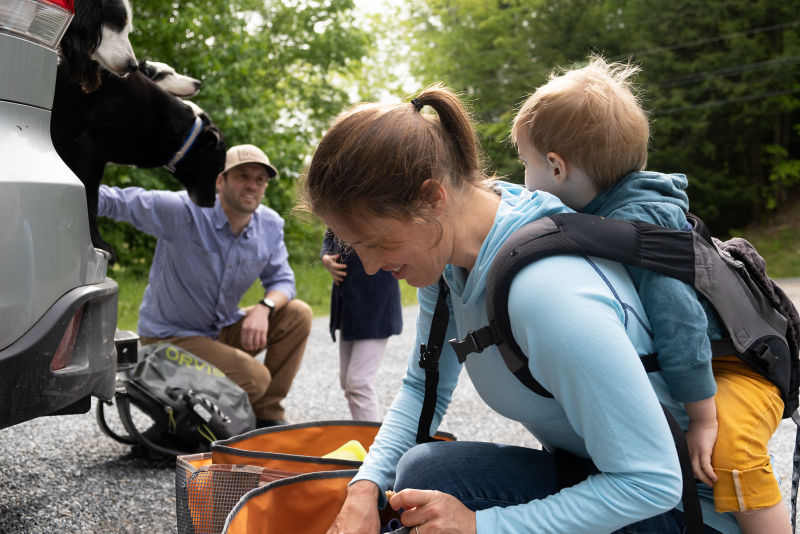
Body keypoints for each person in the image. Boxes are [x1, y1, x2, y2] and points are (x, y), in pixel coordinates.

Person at [301, 84, 742, 533]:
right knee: (419, 476)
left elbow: (653, 482)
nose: (371, 266)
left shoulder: (546, 293)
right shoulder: (450, 255)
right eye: (356, 248)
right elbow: (422, 387)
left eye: (376, 242)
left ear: (434, 198)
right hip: (597, 475)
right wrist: (365, 489)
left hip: (682, 510)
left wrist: (480, 526)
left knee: (432, 487)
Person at [512, 56, 790, 534]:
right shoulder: (606, 215)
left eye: (525, 164)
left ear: (556, 167)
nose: (524, 178)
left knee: (731, 447)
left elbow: (679, 321)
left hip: (734, 366)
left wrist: (702, 417)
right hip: (713, 361)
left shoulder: (642, 225)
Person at [98, 144, 313, 428]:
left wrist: (264, 308)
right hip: (169, 339)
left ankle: (265, 413)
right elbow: (118, 201)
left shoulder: (270, 224)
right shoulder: (185, 210)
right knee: (254, 378)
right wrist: (68, 191)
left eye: (260, 179)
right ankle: (175, 425)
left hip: (219, 331)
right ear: (220, 181)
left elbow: (283, 281)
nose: (252, 185)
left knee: (298, 314)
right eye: (243, 176)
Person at [321, 228, 403, 421]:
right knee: (347, 381)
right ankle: (365, 436)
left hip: (376, 302)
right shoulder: (336, 202)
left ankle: (374, 445)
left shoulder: (377, 201)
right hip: (348, 303)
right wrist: (326, 257)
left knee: (358, 383)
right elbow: (330, 234)